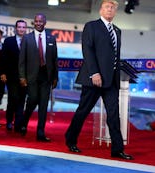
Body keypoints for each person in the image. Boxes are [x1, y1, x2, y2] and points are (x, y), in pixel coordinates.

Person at [65, 0, 134, 160]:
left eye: (112, 8)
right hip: (93, 79)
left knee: (113, 115)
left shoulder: (117, 30)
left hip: (111, 82)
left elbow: (114, 56)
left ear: (115, 12)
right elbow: (87, 50)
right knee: (83, 111)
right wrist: (94, 73)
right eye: (107, 7)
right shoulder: (91, 26)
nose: (110, 10)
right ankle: (70, 139)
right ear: (101, 10)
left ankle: (117, 149)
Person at [18, 13, 58, 142]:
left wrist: (55, 77)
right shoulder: (27, 38)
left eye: (41, 21)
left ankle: (40, 132)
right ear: (34, 22)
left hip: (46, 77)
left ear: (45, 22)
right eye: (36, 21)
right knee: (33, 100)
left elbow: (54, 59)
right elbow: (21, 60)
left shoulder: (51, 38)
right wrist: (22, 77)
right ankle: (24, 122)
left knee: (43, 105)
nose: (39, 23)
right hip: (31, 76)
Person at [0, 20, 27, 132]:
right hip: (11, 76)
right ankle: (9, 121)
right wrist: (3, 73)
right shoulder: (8, 41)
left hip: (25, 77)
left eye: (23, 27)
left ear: (26, 29)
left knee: (22, 100)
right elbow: (3, 58)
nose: (21, 29)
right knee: (13, 99)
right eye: (19, 27)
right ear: (15, 28)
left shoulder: (29, 41)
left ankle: (18, 123)